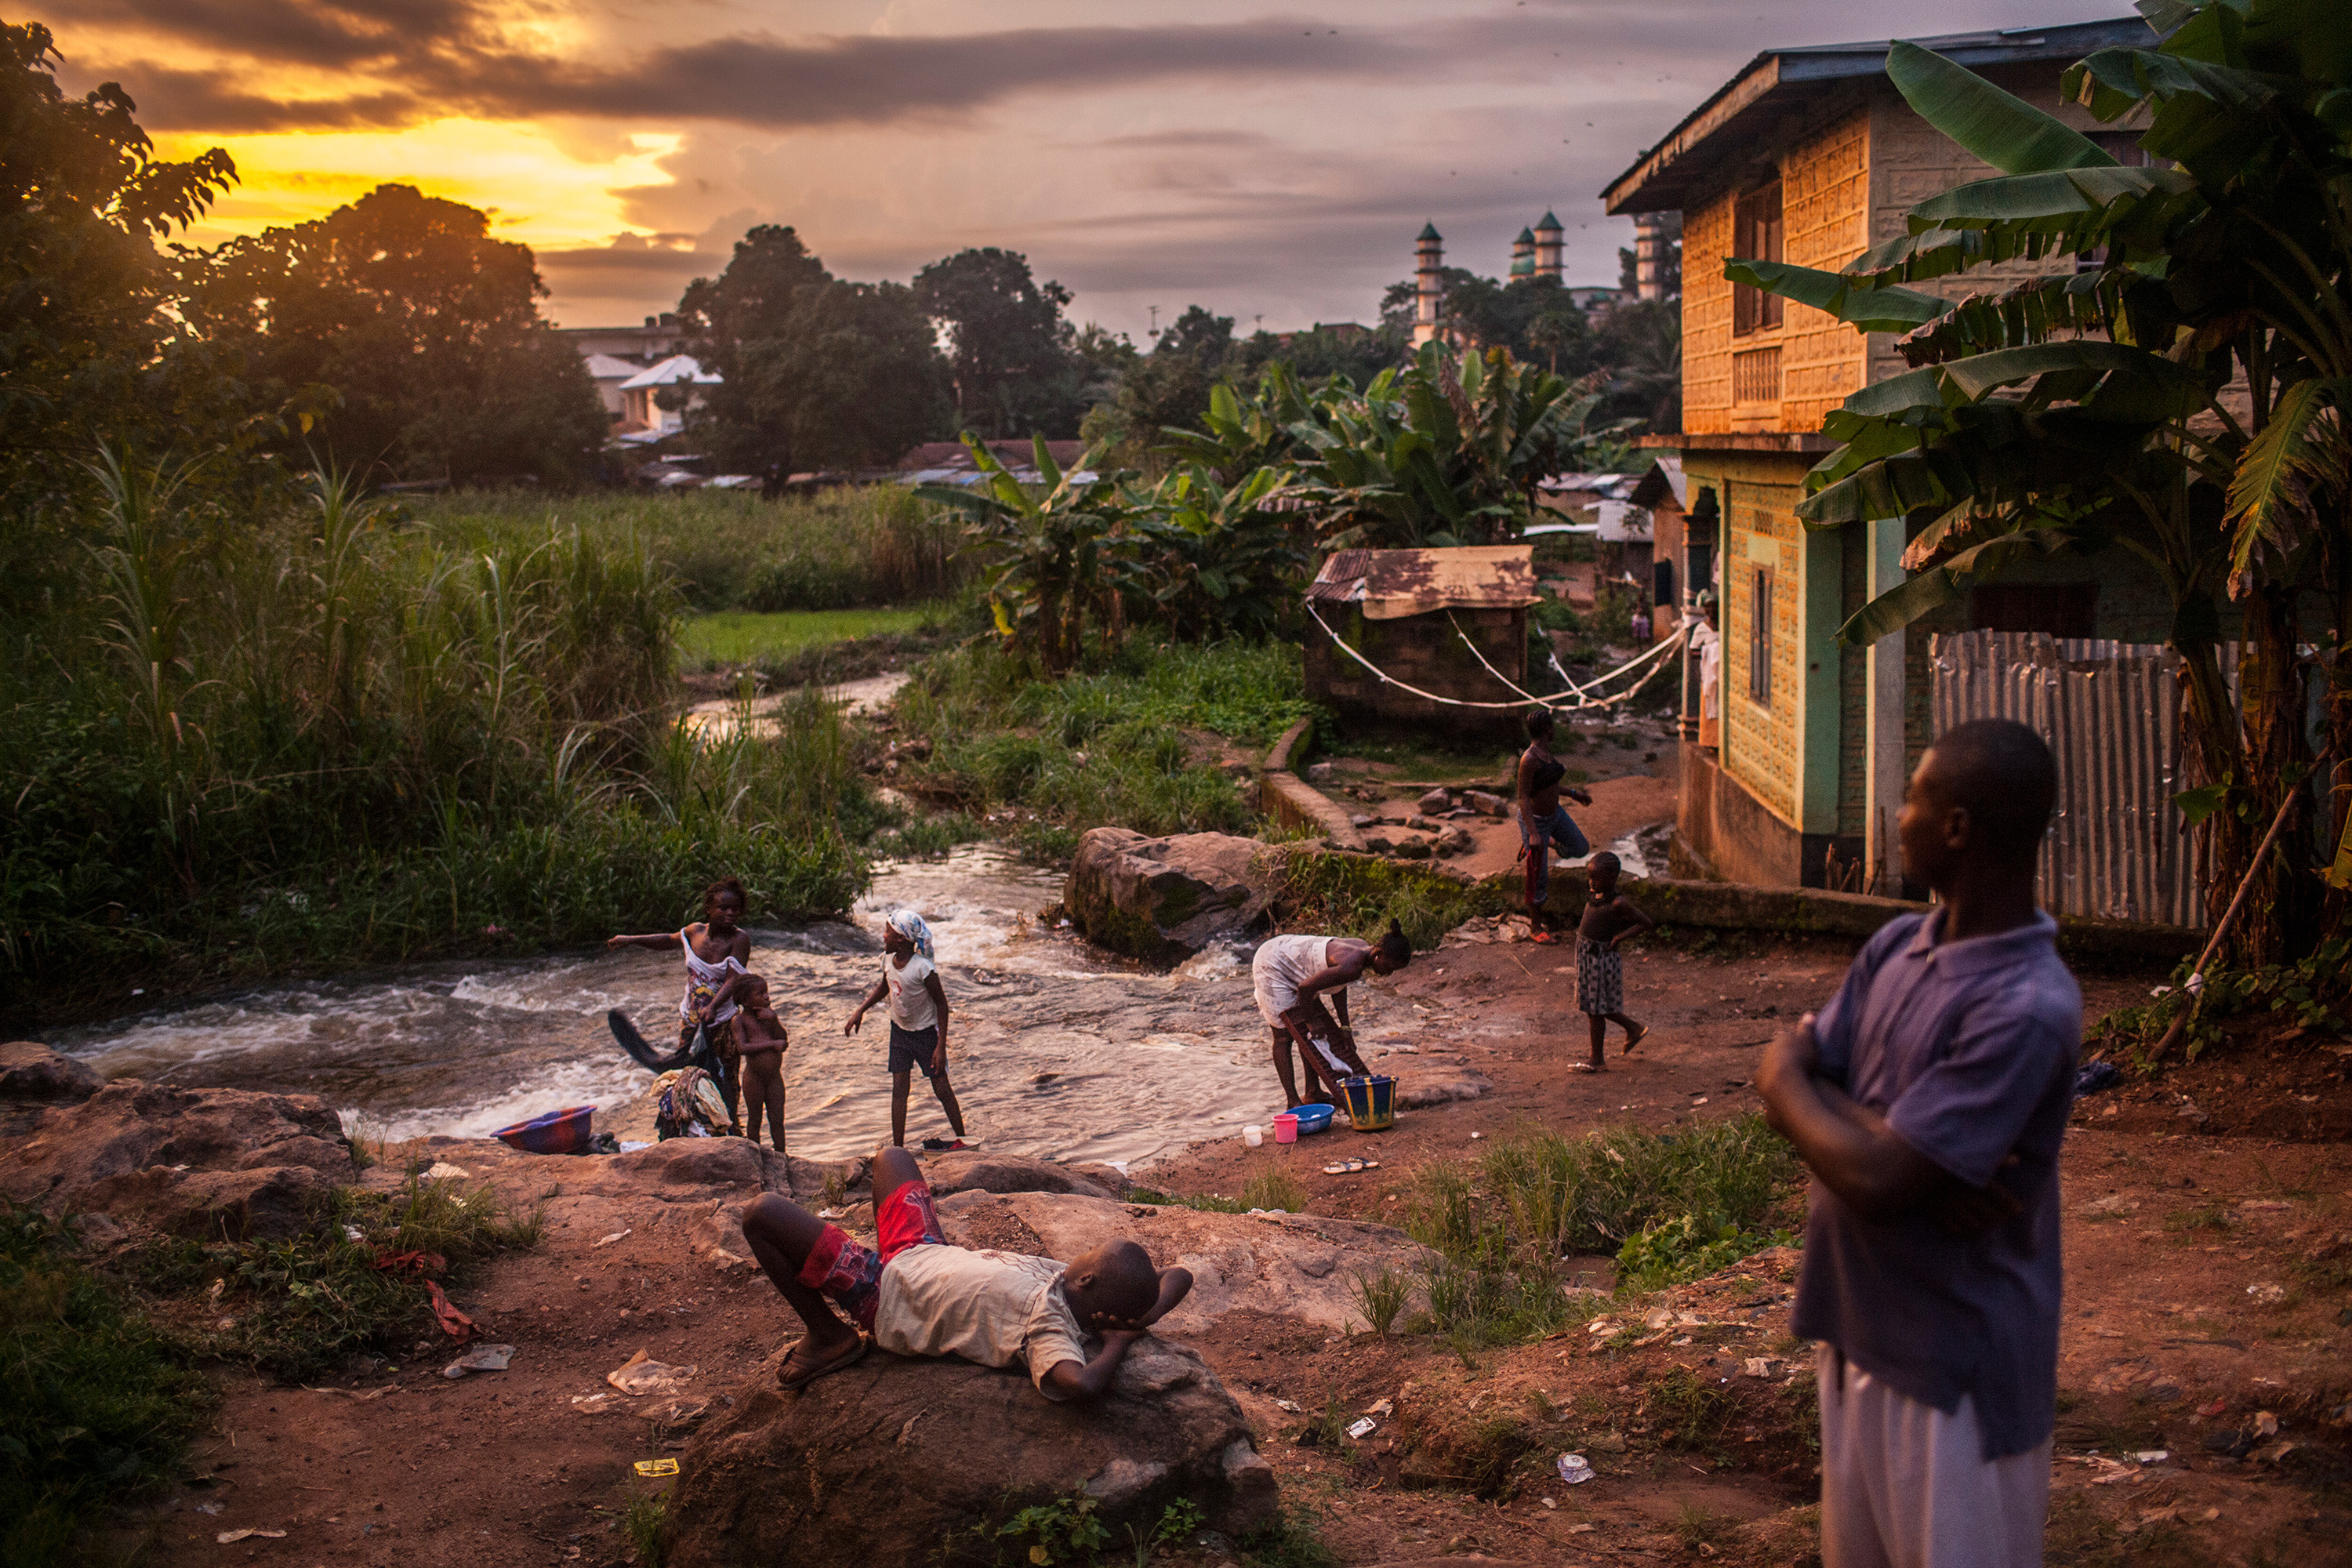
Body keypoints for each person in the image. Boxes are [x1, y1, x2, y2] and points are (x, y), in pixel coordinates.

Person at [1755, 719, 2078, 1568]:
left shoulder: (2025, 1004)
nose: (1898, 816)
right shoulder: (1898, 945)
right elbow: (1854, 1138)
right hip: (1857, 1331)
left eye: (1911, 798)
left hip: (1955, 1375)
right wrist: (1884, 1141)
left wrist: (1795, 1083)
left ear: (1958, 828)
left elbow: (1869, 1169)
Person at [739, 1145, 1192, 1396]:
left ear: (1088, 1279)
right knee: (891, 1158)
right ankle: (835, 1312)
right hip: (922, 1251)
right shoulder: (1067, 1284)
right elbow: (1180, 1276)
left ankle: (829, 1336)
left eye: (1091, 1250)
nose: (1084, 1251)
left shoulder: (1050, 1325)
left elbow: (1082, 1383)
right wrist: (1139, 1321)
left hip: (883, 1294)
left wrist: (1114, 1347)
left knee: (762, 1215)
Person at [608, 877, 752, 1131]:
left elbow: (733, 980)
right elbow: (668, 940)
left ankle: (731, 1127)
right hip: (691, 1021)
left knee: (727, 1079)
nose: (730, 914)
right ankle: (692, 1126)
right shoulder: (694, 932)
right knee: (686, 1074)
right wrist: (630, 939)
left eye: (735, 909)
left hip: (723, 1022)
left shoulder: (739, 940)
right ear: (709, 908)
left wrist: (714, 1006)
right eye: (723, 908)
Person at [1253, 923, 1412, 1109]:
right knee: (1283, 1037)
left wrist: (1345, 1027)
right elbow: (1305, 988)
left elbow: (1339, 985)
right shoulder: (1353, 965)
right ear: (1379, 955)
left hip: (1287, 955)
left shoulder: (1361, 948)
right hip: (1273, 964)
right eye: (1390, 966)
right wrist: (1312, 1021)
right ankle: (1293, 1102)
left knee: (1309, 1035)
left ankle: (1313, 1092)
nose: (1389, 973)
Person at [847, 910, 968, 1149]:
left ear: (900, 938)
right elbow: (885, 987)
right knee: (899, 1090)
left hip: (925, 1034)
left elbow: (943, 1006)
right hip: (900, 1032)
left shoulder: (923, 969)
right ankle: (898, 1148)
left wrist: (940, 1047)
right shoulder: (887, 960)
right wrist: (860, 1010)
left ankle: (965, 1140)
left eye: (887, 932)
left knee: (942, 1088)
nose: (883, 937)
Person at [1517, 709, 1595, 941]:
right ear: (1548, 729)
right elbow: (1523, 797)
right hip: (1536, 822)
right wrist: (1532, 833)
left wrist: (1573, 794)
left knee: (1581, 848)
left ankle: (1547, 842)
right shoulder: (1529, 759)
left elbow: (1548, 786)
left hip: (1556, 815)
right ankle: (1536, 928)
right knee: (1537, 876)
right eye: (1553, 727)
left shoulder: (1546, 754)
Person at [1573, 851, 1652, 1071]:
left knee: (1596, 1008)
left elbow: (1646, 923)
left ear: (1611, 878)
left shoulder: (1618, 903)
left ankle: (1600, 1056)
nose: (1592, 883)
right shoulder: (1597, 896)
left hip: (1600, 958)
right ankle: (1623, 1036)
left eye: (1596, 879)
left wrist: (1619, 937)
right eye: (1590, 878)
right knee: (1593, 1007)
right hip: (1587, 954)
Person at [720, 972, 789, 1152]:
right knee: (755, 1119)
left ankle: (782, 1154)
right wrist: (771, 1044)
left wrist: (774, 1021)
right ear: (745, 999)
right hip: (754, 1079)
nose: (767, 996)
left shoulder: (769, 1017)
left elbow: (783, 1042)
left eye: (766, 992)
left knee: (777, 1119)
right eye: (760, 993)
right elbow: (743, 1048)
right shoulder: (740, 1020)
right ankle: (755, 1156)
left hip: (774, 1078)